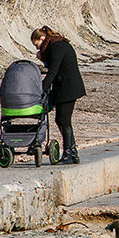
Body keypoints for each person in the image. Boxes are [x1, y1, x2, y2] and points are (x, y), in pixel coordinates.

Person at [30, 26, 85, 164]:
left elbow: (53, 71)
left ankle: (69, 154)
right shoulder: (57, 44)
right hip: (65, 86)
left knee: (63, 120)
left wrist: (41, 88)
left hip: (68, 87)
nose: (37, 49)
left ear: (42, 39)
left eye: (37, 45)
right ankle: (73, 153)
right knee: (62, 120)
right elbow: (54, 67)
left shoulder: (57, 47)